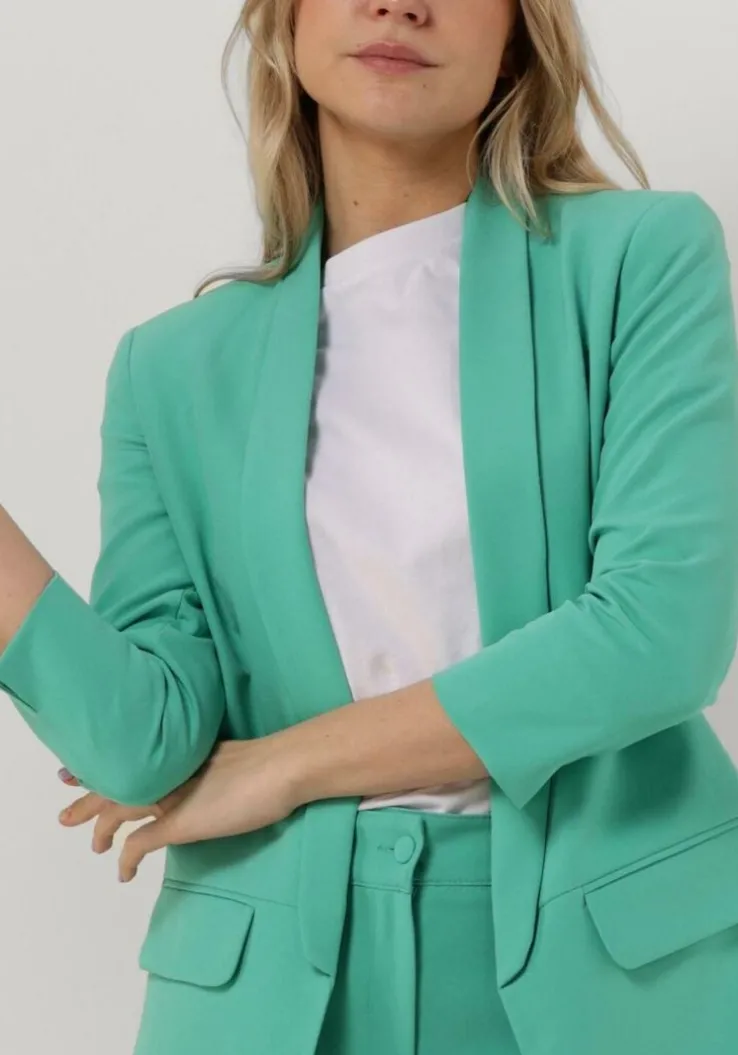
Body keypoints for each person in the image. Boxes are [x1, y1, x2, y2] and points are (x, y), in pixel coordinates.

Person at [2, 0, 738, 1052]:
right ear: (287, 20)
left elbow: (657, 633)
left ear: (517, 33)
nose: (401, 4)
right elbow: (145, 746)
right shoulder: (170, 366)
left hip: (611, 974)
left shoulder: (639, 259)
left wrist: (285, 763)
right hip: (264, 989)